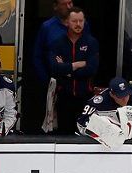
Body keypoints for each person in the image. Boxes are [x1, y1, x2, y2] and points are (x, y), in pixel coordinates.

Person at [32, 0, 90, 132]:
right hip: (56, 85)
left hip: (80, 85)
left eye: (70, 3)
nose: (69, 6)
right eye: (65, 4)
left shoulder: (83, 24)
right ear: (55, 6)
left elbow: (89, 53)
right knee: (57, 127)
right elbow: (37, 56)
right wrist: (46, 81)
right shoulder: (47, 27)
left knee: (82, 126)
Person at [49, 7, 99, 136]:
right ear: (67, 22)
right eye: (74, 21)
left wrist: (67, 70)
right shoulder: (57, 43)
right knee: (64, 135)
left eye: (81, 21)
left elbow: (92, 69)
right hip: (64, 96)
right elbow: (54, 68)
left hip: (86, 97)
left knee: (87, 134)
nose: (78, 24)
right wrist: (77, 65)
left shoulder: (91, 42)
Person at [77, 77, 132, 146]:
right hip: (108, 149)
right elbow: (81, 123)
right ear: (111, 94)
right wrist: (106, 129)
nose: (124, 99)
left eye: (126, 94)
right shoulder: (99, 102)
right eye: (120, 96)